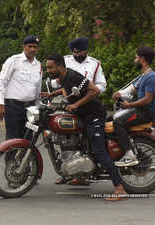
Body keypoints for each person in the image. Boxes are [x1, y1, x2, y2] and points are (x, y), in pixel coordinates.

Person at [44, 53, 127, 201]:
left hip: (94, 115)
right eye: (47, 68)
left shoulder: (74, 76)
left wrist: (75, 104)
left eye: (50, 67)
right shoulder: (62, 78)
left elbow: (94, 90)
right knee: (80, 144)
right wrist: (52, 96)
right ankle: (81, 175)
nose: (48, 70)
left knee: (98, 150)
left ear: (60, 66)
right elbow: (67, 90)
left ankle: (119, 188)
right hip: (82, 114)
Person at [53, 37, 107, 185]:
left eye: (80, 52)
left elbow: (102, 85)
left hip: (88, 104)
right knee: (66, 138)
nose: (77, 55)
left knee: (87, 140)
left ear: (86, 50)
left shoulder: (95, 64)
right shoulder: (65, 61)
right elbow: (56, 81)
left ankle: (83, 173)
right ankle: (67, 172)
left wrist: (85, 90)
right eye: (74, 52)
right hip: (69, 104)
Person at [112, 46, 155, 167]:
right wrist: (119, 94)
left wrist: (129, 105)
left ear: (142, 59)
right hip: (140, 110)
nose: (134, 60)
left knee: (117, 122)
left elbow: (147, 100)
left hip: (146, 113)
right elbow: (132, 89)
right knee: (109, 120)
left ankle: (129, 155)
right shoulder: (143, 76)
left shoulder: (152, 77)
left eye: (136, 57)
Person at [0, 35, 42, 139]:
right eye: (29, 46)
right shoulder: (13, 60)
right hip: (13, 107)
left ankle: (25, 156)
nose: (32, 49)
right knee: (13, 140)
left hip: (30, 108)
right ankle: (10, 156)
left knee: (28, 139)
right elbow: (2, 82)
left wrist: (38, 106)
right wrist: (0, 104)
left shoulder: (38, 64)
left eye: (35, 47)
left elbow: (38, 88)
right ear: (23, 47)